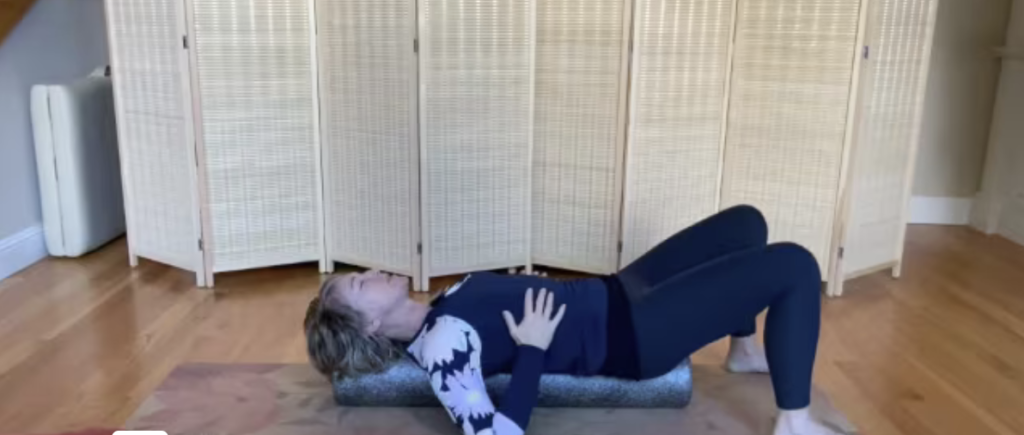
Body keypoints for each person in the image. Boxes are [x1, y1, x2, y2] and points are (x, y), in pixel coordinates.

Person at [304, 206, 834, 435]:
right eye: (359, 284)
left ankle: (743, 350)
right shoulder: (441, 348)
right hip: (633, 336)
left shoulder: (442, 304)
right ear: (368, 325)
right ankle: (793, 418)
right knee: (794, 265)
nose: (371, 272)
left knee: (745, 225)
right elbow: (498, 431)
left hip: (620, 288)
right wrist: (532, 349)